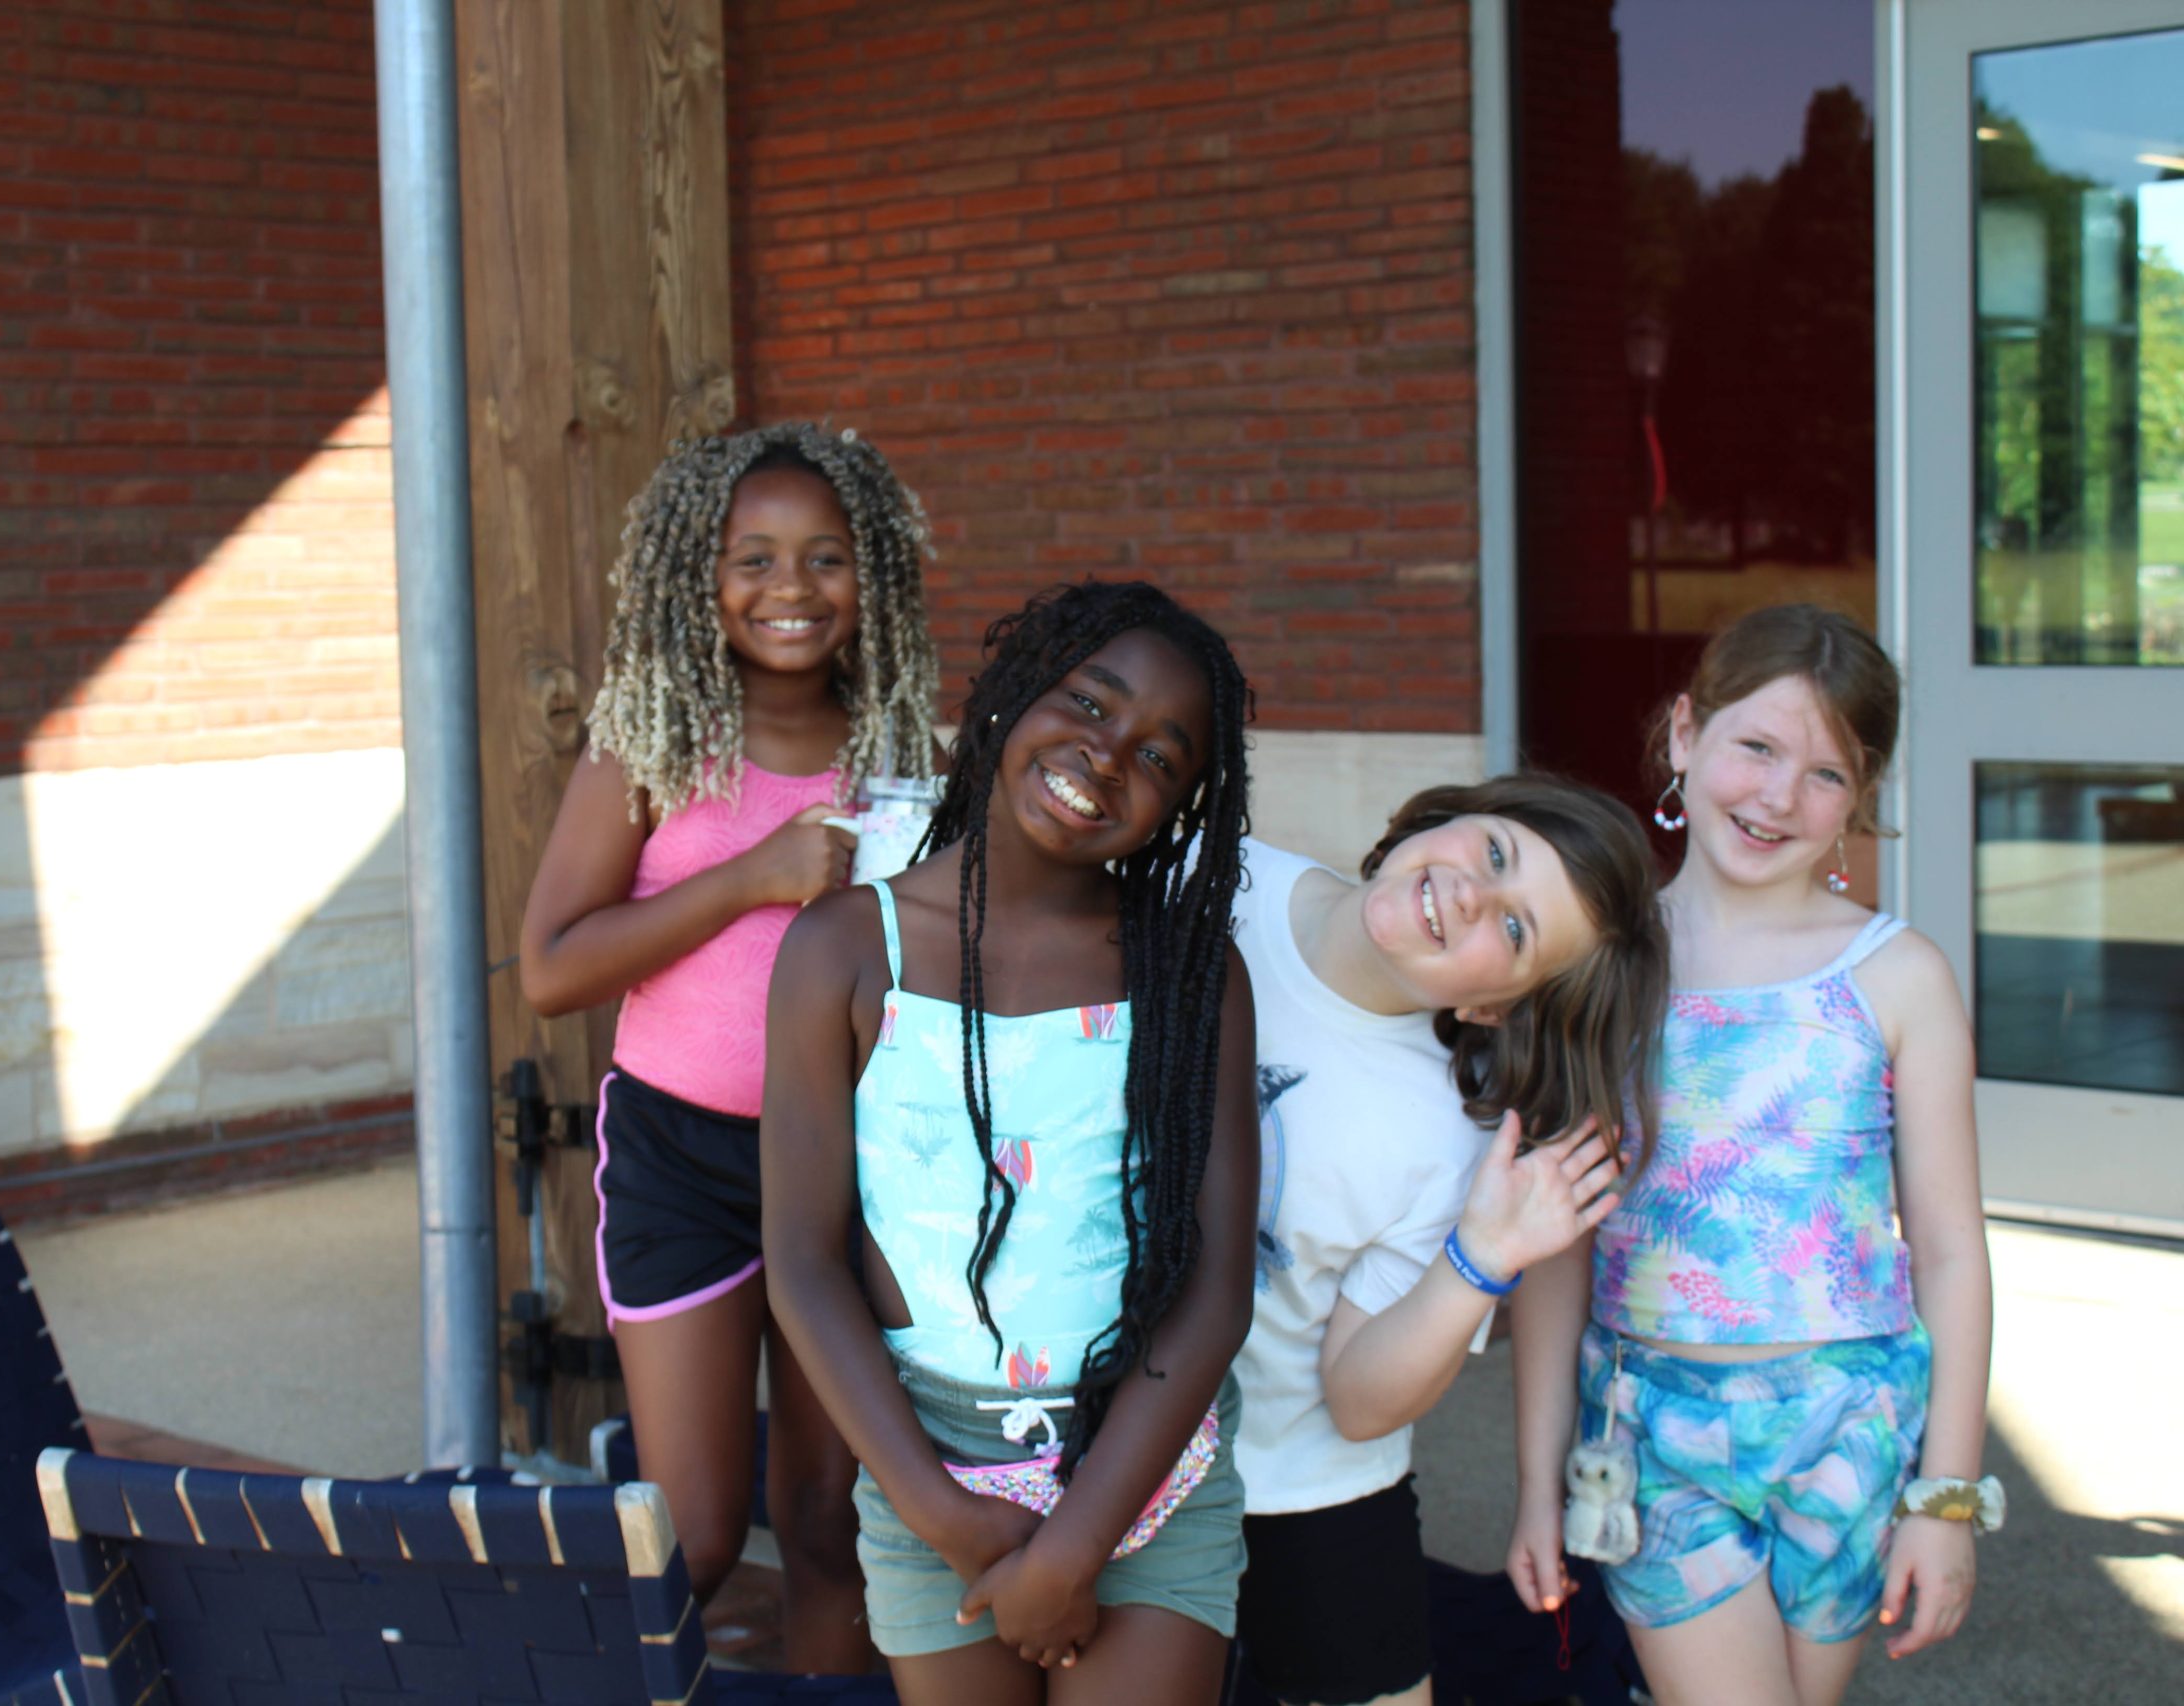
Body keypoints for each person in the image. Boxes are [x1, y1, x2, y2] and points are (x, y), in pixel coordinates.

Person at [762, 581, 1259, 1705]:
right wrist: (942, 1512)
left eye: (1159, 756)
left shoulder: (1189, 975)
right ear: (1011, 693)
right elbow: (800, 1257)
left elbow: (1217, 1286)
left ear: (1181, 805)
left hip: (1141, 1470)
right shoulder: (844, 947)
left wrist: (1077, 1542)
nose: (1106, 752)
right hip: (922, 1462)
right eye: (1088, 702)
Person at [1506, 604, 1996, 1706]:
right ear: (1685, 735)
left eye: (1825, 773)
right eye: (1756, 746)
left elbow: (1952, 1252)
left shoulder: (1897, 975)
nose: (1778, 795)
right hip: (1652, 1427)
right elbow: (1554, 1249)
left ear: (1860, 797)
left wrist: (1945, 1495)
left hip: (1850, 1432)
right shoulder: (1599, 960)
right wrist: (1537, 1482)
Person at [519, 421, 943, 1669]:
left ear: (874, 578)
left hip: (848, 1167)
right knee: (696, 1535)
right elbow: (551, 968)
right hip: (680, 1160)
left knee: (827, 1524)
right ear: (693, 576)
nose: (791, 589)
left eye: (825, 557)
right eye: (750, 558)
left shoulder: (906, 758)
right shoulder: (649, 746)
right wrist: (755, 876)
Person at [1231, 775, 1670, 1706]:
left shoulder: (1450, 1139)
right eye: (1497, 853)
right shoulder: (1211, 881)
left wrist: (1480, 1260)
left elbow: (1355, 1401)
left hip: (1295, 1484)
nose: (1473, 893)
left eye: (1515, 932)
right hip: (1090, 1452)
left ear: (1498, 1008)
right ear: (1449, 819)